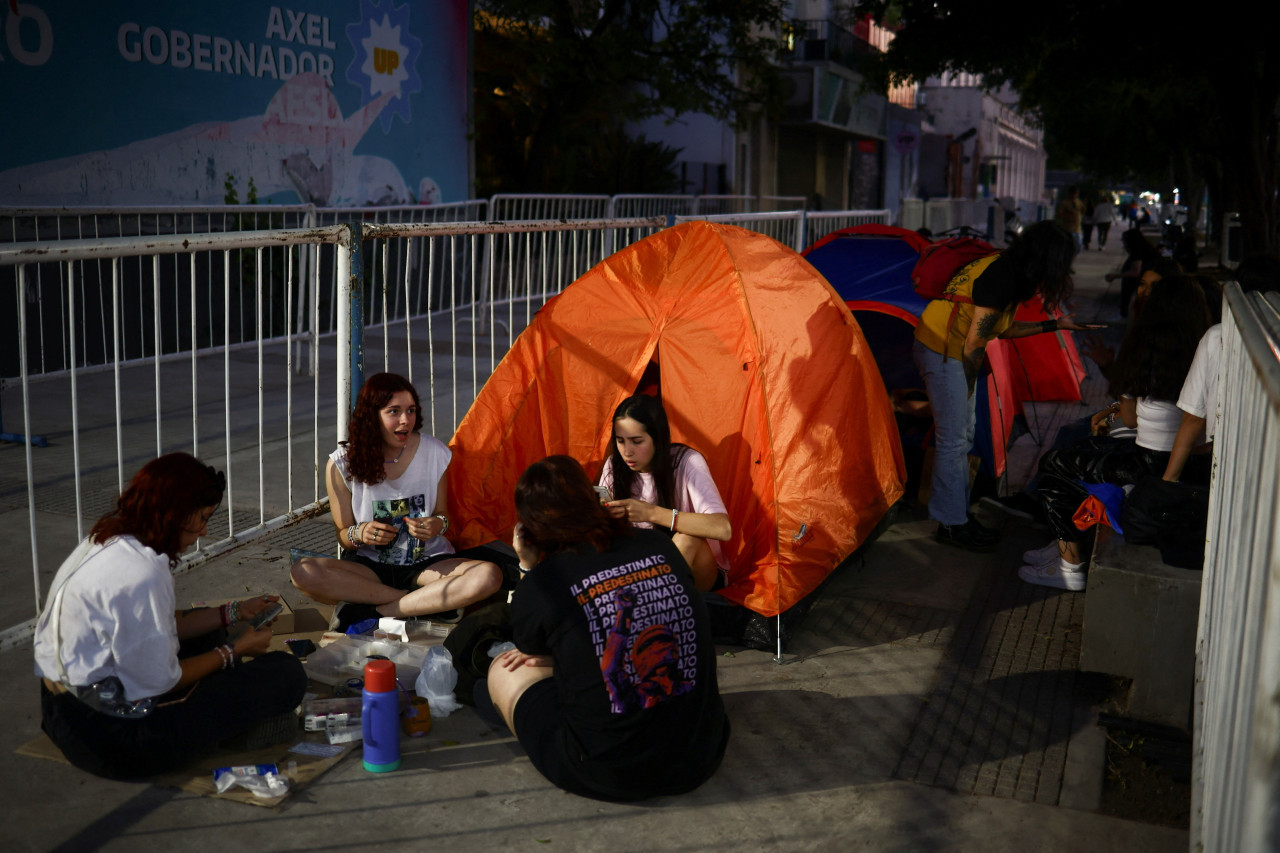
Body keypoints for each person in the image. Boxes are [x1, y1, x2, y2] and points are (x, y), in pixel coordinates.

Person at [33, 453, 307, 780]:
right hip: (115, 741)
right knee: (285, 673)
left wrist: (233, 612)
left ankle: (223, 701)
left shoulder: (109, 539)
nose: (204, 531)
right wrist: (235, 651)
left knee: (211, 633)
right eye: (202, 518)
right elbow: (165, 681)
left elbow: (163, 624)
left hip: (60, 711)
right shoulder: (143, 573)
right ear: (172, 514)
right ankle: (229, 721)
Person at [486, 455, 730, 801]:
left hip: (610, 771)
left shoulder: (544, 583)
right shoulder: (657, 543)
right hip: (702, 753)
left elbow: (528, 647)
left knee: (505, 668)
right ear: (595, 499)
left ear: (531, 527)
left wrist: (526, 566)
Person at [913, 220, 1097, 551]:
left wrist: (1055, 324)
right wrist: (967, 389)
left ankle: (956, 517)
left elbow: (997, 330)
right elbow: (974, 344)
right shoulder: (1002, 276)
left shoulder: (1012, 272)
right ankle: (952, 524)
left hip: (953, 350)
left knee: (962, 437)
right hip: (942, 349)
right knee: (954, 440)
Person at [1022, 276, 1212, 591]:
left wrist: (1117, 392)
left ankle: (1068, 565)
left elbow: (1130, 419)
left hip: (1146, 463)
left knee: (1055, 463)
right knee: (1084, 446)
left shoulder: (1143, 353)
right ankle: (1064, 543)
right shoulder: (1206, 351)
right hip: (1188, 462)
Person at [290, 372, 503, 629]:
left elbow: (443, 515)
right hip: (370, 567)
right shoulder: (341, 464)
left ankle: (379, 611)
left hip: (429, 563)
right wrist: (362, 532)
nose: (405, 420)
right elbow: (344, 536)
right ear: (372, 417)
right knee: (302, 572)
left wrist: (437, 525)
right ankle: (422, 605)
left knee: (489, 576)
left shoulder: (434, 453)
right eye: (394, 411)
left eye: (411, 410)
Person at [597, 393, 731, 592]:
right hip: (637, 568)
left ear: (657, 439)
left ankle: (651, 607)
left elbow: (723, 529)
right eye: (620, 441)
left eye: (636, 441)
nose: (627, 451)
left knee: (686, 539)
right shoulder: (614, 465)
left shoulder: (686, 462)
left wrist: (651, 513)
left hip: (696, 571)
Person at [1055, 186, 1085, 251]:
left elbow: (1082, 211)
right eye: (1074, 193)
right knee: (1066, 247)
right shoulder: (1064, 203)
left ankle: (1071, 258)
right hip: (1068, 229)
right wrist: (1068, 214)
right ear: (1070, 194)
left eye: (1077, 193)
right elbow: (1059, 214)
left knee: (1079, 246)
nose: (1075, 195)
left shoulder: (1078, 202)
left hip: (1077, 229)